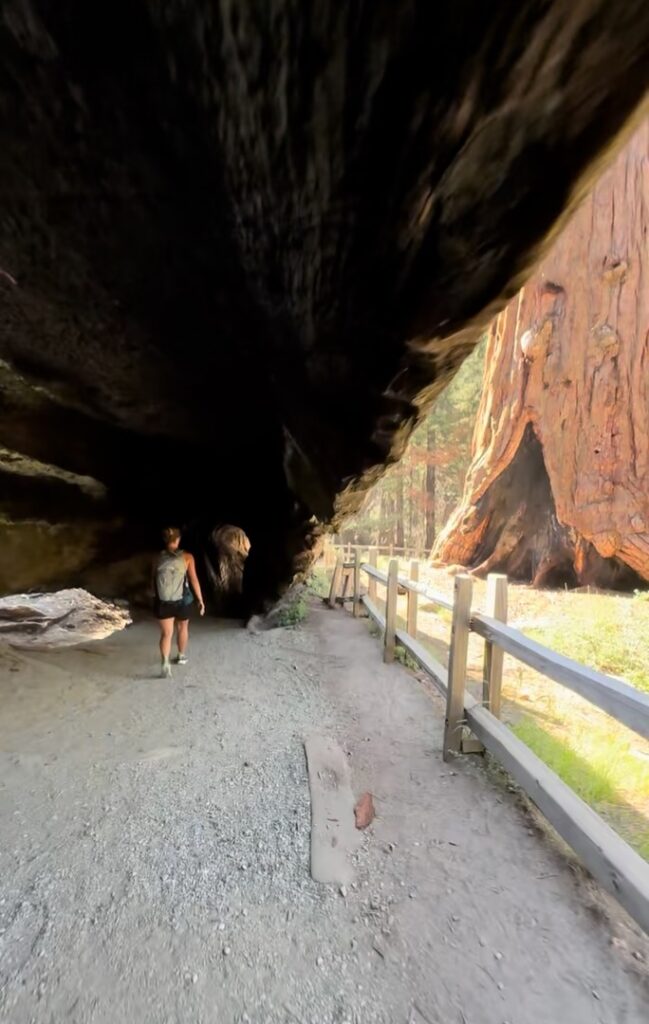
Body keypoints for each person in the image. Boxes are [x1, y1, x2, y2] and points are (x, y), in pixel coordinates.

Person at [153, 527, 205, 677]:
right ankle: (181, 656)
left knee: (166, 633)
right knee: (183, 627)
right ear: (178, 540)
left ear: (164, 540)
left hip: (163, 601)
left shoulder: (156, 558)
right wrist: (200, 600)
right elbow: (194, 579)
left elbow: (153, 581)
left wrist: (155, 598)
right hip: (182, 601)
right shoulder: (187, 557)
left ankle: (165, 664)